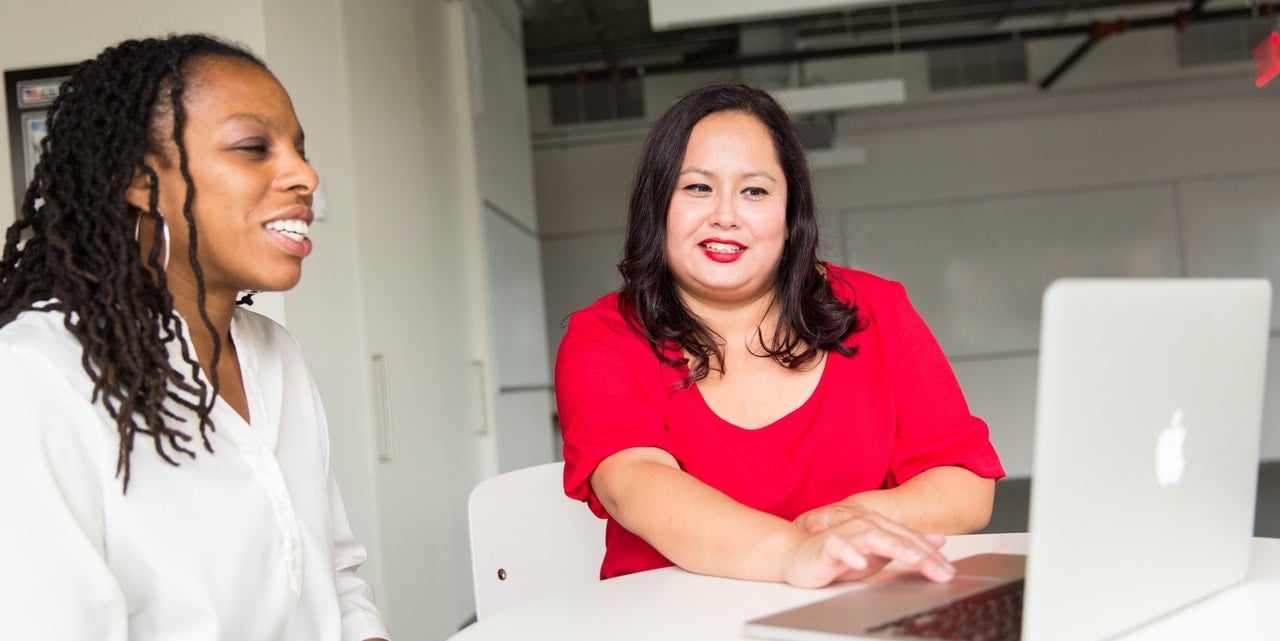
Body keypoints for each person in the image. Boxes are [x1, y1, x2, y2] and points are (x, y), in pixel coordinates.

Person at [0, 34, 389, 640]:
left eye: (300, 151)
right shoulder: (36, 376)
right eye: (253, 148)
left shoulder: (273, 352)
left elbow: (334, 577)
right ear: (134, 178)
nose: (305, 176)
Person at [555, 83, 1005, 588]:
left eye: (755, 191)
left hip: (851, 613)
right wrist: (796, 552)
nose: (725, 214)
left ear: (791, 216)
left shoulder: (878, 309)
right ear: (656, 205)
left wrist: (842, 523)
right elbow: (635, 485)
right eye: (697, 187)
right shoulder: (603, 338)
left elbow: (965, 486)